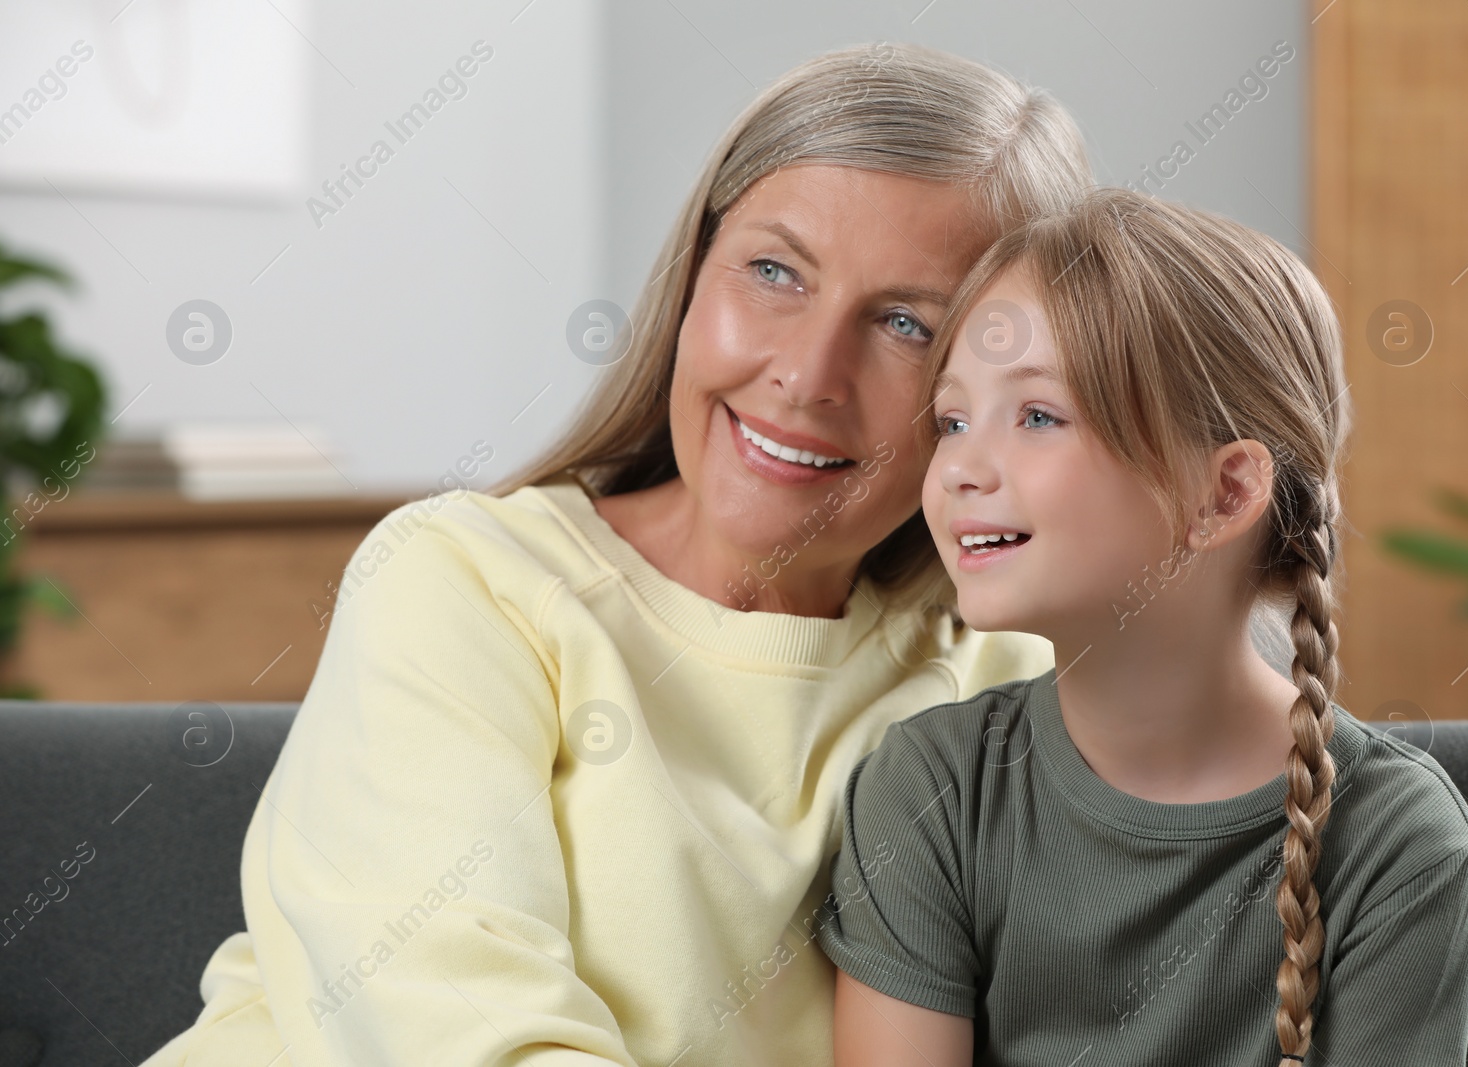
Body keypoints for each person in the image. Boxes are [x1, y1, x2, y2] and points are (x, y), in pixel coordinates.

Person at [140, 42, 1096, 1066]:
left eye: (907, 323)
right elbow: (462, 1031)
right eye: (774, 271)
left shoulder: (1015, 676)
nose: (807, 374)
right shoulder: (464, 579)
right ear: (692, 274)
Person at [820, 188, 1468, 1066]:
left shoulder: (1403, 843)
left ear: (1225, 493)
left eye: (1036, 416)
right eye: (952, 419)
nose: (958, 470)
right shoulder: (929, 793)